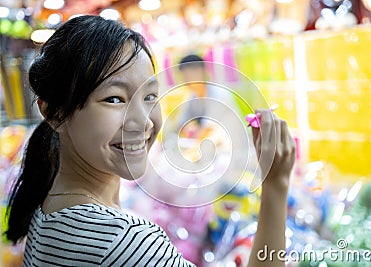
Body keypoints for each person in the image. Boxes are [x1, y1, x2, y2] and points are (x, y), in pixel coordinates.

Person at [5, 15, 295, 267]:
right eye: (114, 98)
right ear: (53, 112)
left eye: (150, 96)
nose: (143, 121)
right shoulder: (126, 241)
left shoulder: (48, 204)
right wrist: (276, 185)